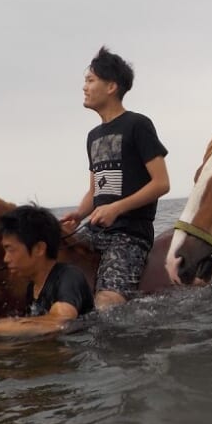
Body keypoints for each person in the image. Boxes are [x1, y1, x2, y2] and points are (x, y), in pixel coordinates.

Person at [61, 47, 170, 310]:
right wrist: (78, 214)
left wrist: (116, 208)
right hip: (95, 230)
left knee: (106, 305)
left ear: (111, 86)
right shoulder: (93, 136)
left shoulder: (138, 125)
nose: (84, 87)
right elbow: (94, 191)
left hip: (129, 235)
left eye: (90, 80)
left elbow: (161, 183)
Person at [0, 205, 94, 337]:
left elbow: (60, 323)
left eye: (10, 249)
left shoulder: (69, 277)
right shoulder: (32, 288)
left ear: (39, 248)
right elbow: (32, 326)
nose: (6, 259)